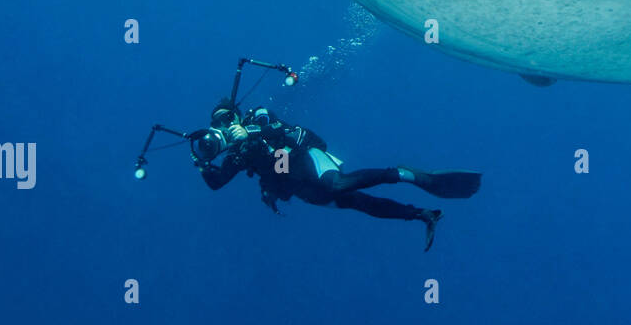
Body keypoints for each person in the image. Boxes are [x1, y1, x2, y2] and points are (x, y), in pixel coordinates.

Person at [193, 100, 480, 251]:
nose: (224, 125)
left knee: (339, 184)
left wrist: (250, 132)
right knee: (357, 203)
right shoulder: (234, 155)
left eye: (227, 118)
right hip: (297, 185)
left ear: (237, 115)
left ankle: (409, 174)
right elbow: (217, 183)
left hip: (306, 159)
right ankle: (423, 215)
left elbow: (281, 130)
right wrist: (202, 161)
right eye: (218, 123)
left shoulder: (258, 117)